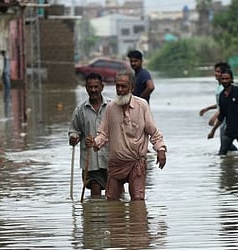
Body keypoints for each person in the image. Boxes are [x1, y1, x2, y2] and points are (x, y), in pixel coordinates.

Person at [92, 69, 167, 201]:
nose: (120, 90)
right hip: (116, 163)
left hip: (136, 163)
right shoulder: (110, 108)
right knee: (112, 202)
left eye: (123, 86)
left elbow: (153, 132)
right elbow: (103, 134)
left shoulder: (142, 105)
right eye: (117, 86)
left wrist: (160, 150)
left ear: (132, 87)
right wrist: (95, 143)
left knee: (138, 202)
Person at [68, 72, 111, 198]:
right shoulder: (80, 110)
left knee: (115, 195)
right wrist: (74, 138)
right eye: (90, 87)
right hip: (90, 161)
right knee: (95, 191)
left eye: (96, 87)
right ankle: (94, 217)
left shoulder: (111, 107)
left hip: (110, 159)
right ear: (86, 88)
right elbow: (74, 130)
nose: (93, 90)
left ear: (102, 87)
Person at [207, 68, 238, 155]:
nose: (225, 81)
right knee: (221, 154)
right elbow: (221, 116)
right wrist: (213, 131)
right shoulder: (222, 95)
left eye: (227, 79)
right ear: (221, 80)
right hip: (229, 131)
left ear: (232, 79)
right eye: (223, 79)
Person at [199, 61, 237, 151]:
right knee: (226, 144)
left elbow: (225, 105)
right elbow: (220, 104)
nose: (216, 74)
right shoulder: (219, 87)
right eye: (215, 71)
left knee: (224, 144)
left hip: (227, 120)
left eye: (218, 72)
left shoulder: (224, 88)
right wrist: (207, 108)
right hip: (222, 120)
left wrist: (214, 117)